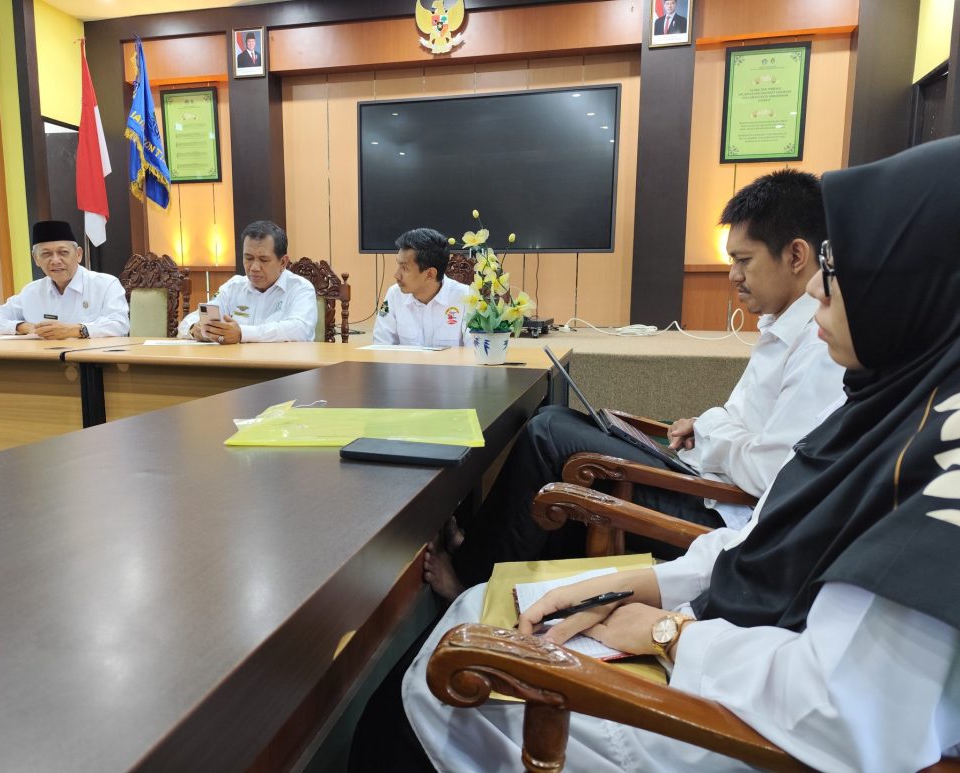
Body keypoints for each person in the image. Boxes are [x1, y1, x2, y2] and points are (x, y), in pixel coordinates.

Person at [402, 136, 960, 773]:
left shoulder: (941, 470)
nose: (819, 290)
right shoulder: (896, 404)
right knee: (483, 616)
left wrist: (667, 632)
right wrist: (636, 586)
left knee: (451, 679)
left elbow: (843, 713)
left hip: (751, 723)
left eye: (840, 269)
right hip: (733, 639)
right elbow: (764, 537)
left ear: (917, 285)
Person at [425, 169, 845, 601]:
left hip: (720, 510)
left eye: (744, 260)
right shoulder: (782, 325)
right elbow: (744, 422)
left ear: (796, 256)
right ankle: (480, 554)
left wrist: (710, 432)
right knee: (553, 417)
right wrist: (708, 426)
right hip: (708, 479)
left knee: (549, 436)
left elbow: (772, 472)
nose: (733, 275)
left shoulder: (820, 344)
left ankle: (469, 581)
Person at [0, 220, 129, 339]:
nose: (55, 260)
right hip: (44, 361)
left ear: (78, 254)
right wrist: (24, 327)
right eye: (46, 254)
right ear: (36, 259)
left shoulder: (105, 284)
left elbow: (120, 324)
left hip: (91, 362)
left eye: (63, 252)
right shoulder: (32, 291)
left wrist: (76, 330)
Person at [178, 220, 316, 344]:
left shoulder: (300, 288)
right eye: (248, 258)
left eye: (263, 260)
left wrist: (242, 333)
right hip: (238, 362)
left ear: (283, 262)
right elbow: (191, 320)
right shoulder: (233, 287)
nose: (254, 267)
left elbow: (301, 329)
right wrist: (194, 329)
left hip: (282, 363)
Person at [372, 228, 473, 348]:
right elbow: (381, 346)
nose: (396, 275)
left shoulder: (466, 297)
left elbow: (474, 352)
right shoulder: (394, 295)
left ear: (430, 274)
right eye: (398, 265)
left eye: (404, 268)